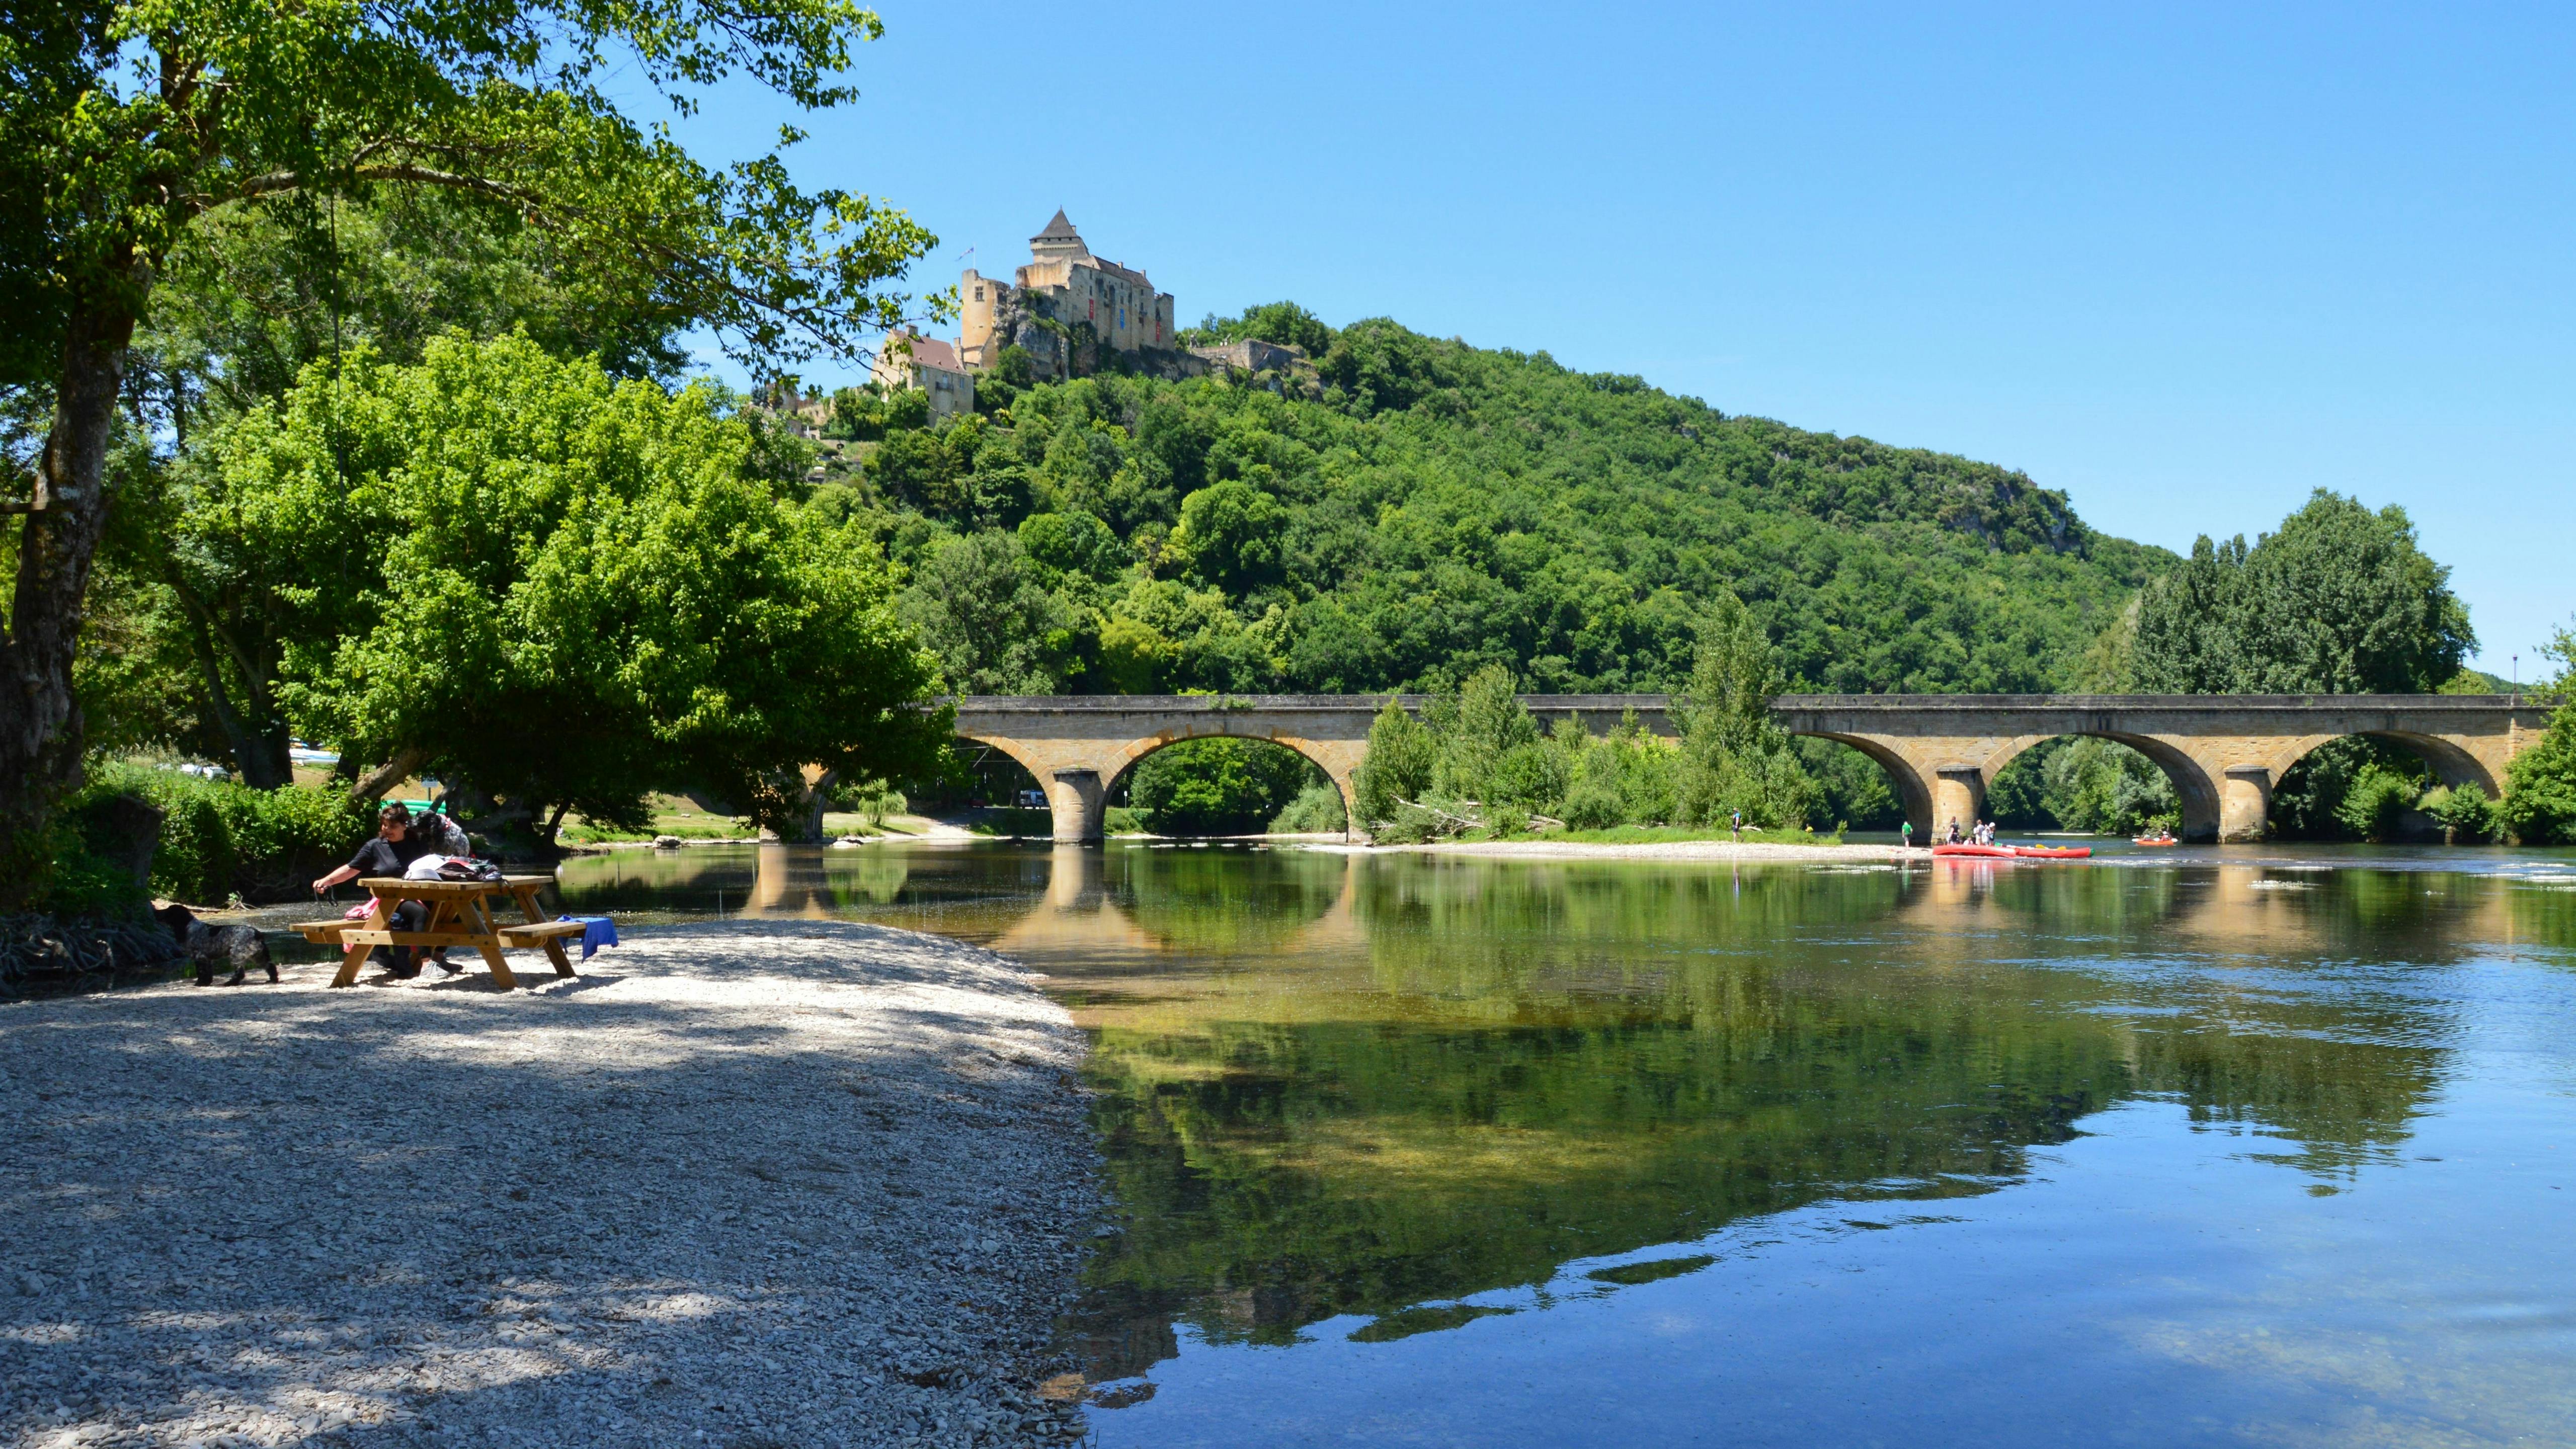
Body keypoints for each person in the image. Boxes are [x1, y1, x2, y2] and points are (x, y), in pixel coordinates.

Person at [311, 804, 457, 979]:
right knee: (418, 913)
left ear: (405, 825)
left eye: (392, 826)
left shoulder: (418, 844)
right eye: (384, 825)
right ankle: (427, 964)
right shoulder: (375, 846)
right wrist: (328, 881)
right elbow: (351, 868)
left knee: (454, 909)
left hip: (421, 894)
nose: (387, 830)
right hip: (390, 900)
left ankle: (439, 958)